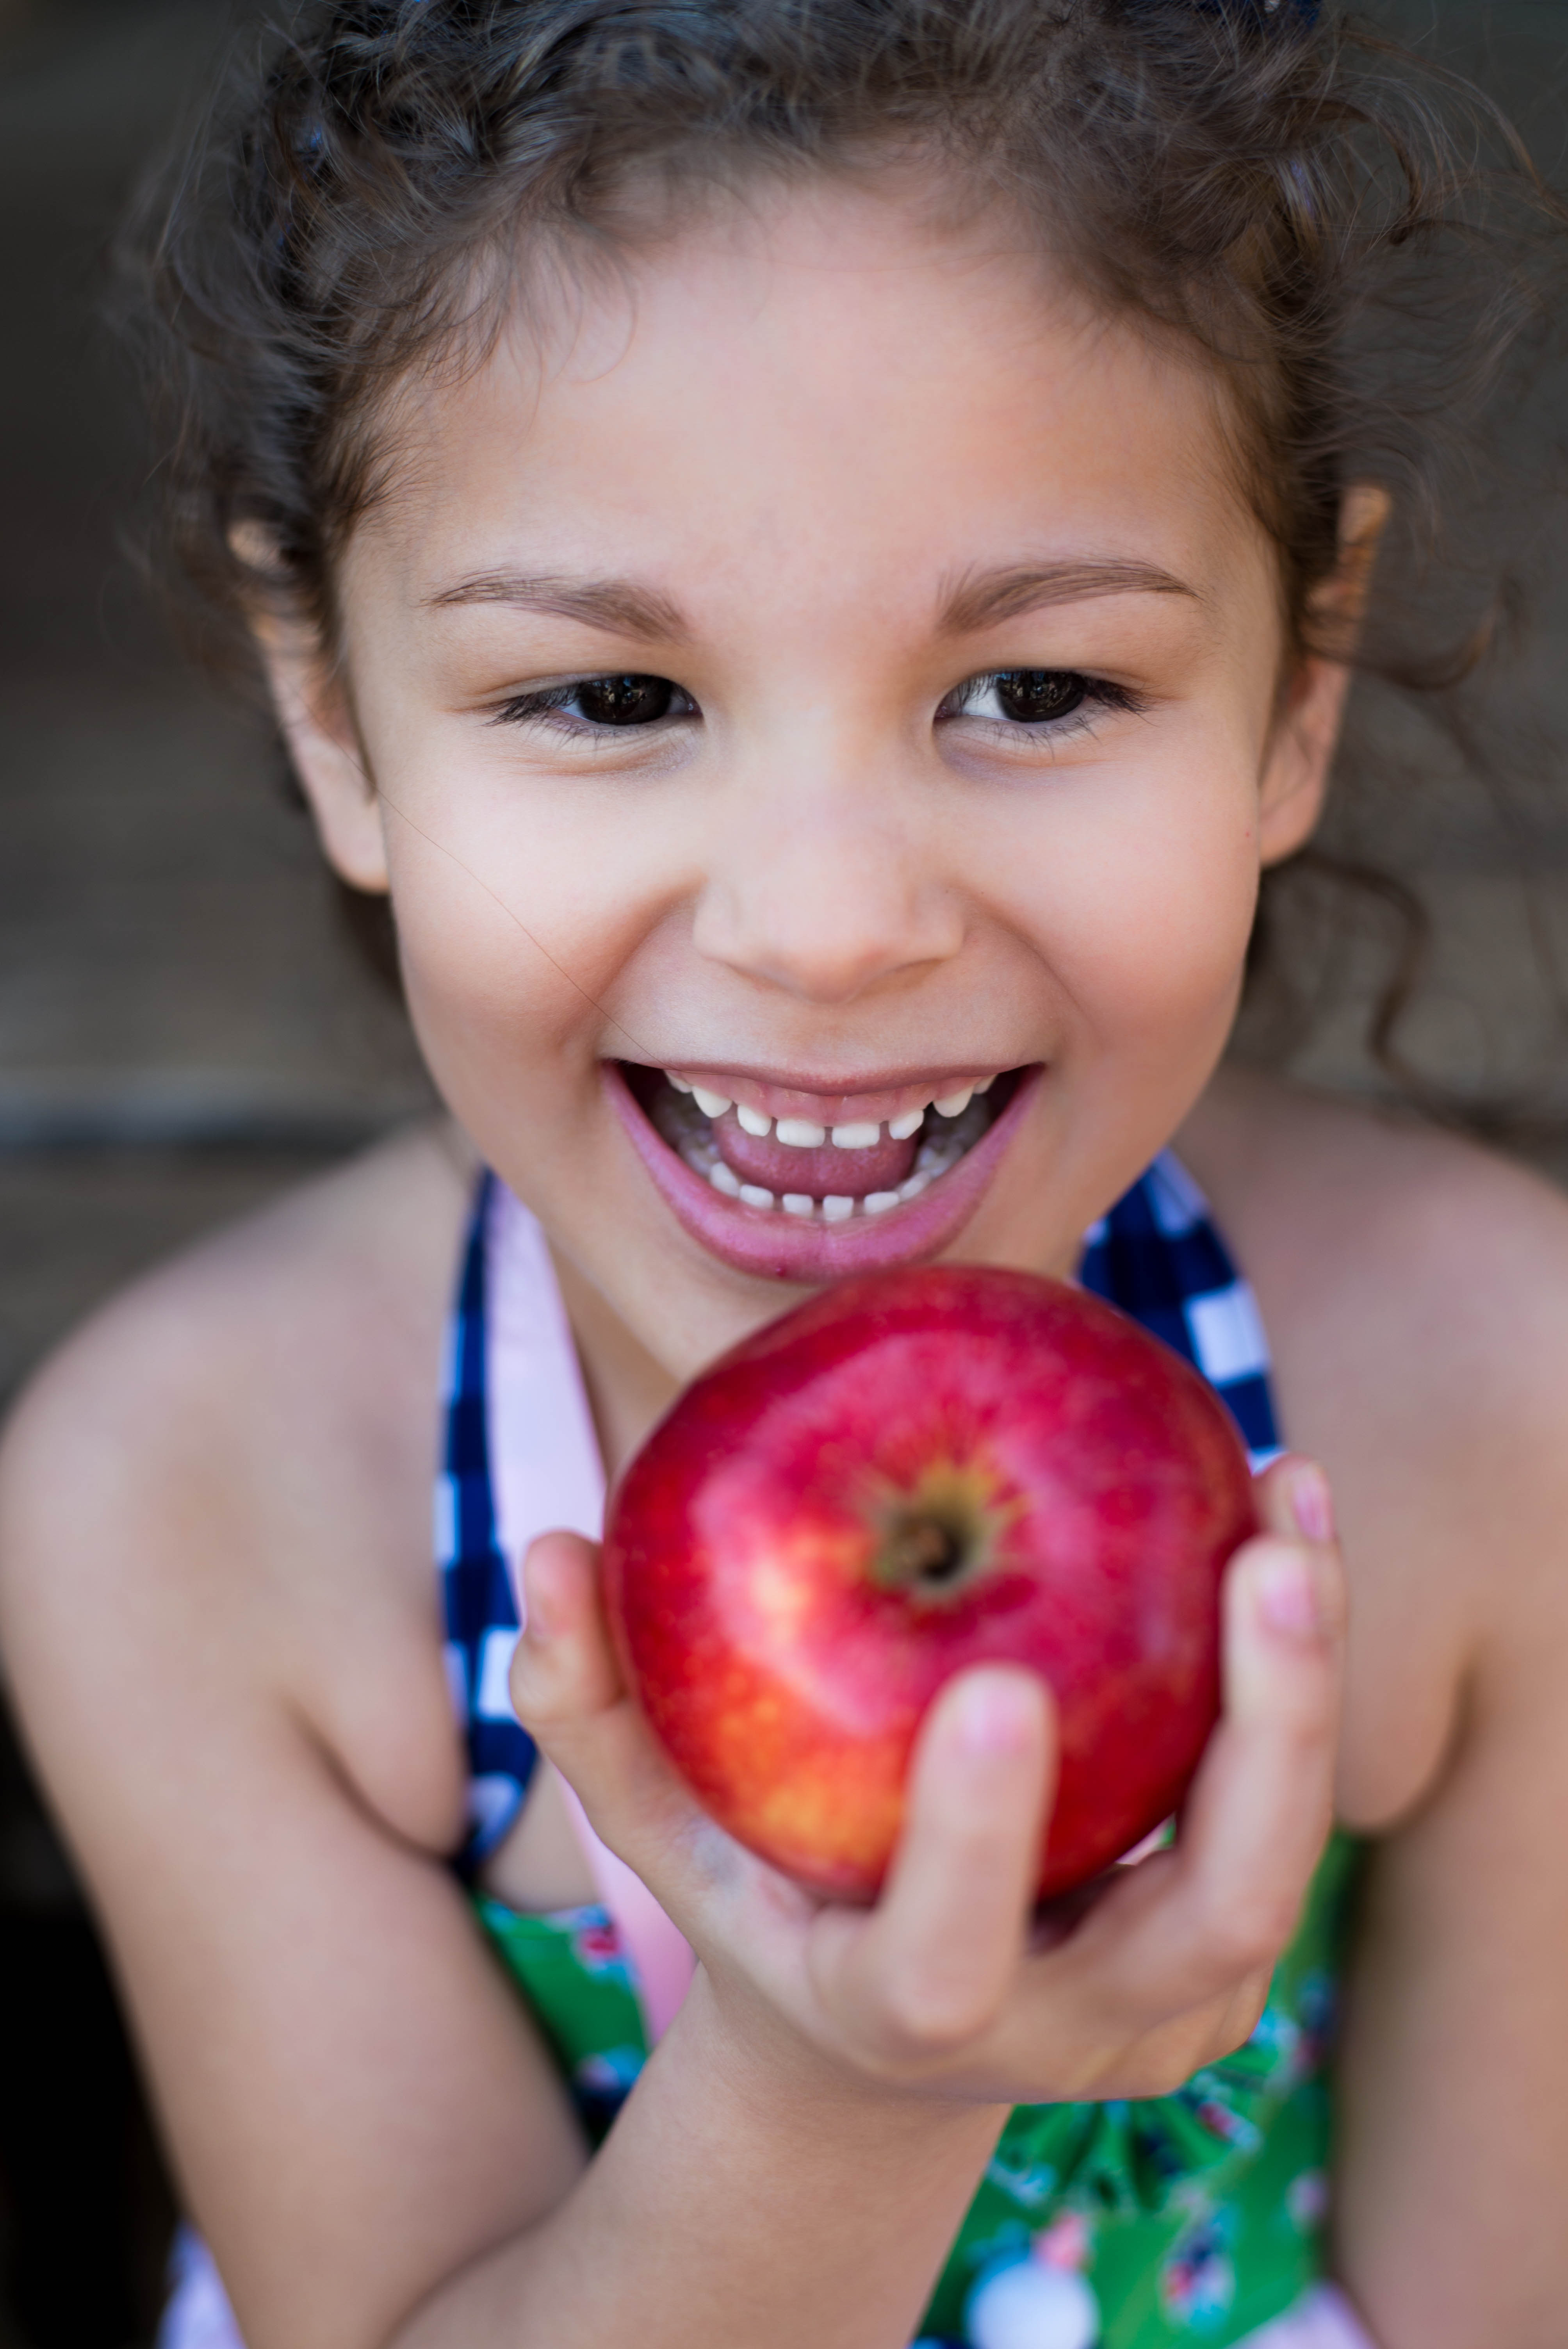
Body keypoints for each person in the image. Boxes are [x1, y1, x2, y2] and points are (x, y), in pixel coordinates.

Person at [3, 1, 1568, 2343]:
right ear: (333, 716)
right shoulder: (194, 1505)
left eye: (1036, 692)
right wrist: (847, 2096)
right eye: (612, 699)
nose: (832, 924)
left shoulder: (1498, 1390)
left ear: (1295, 688)